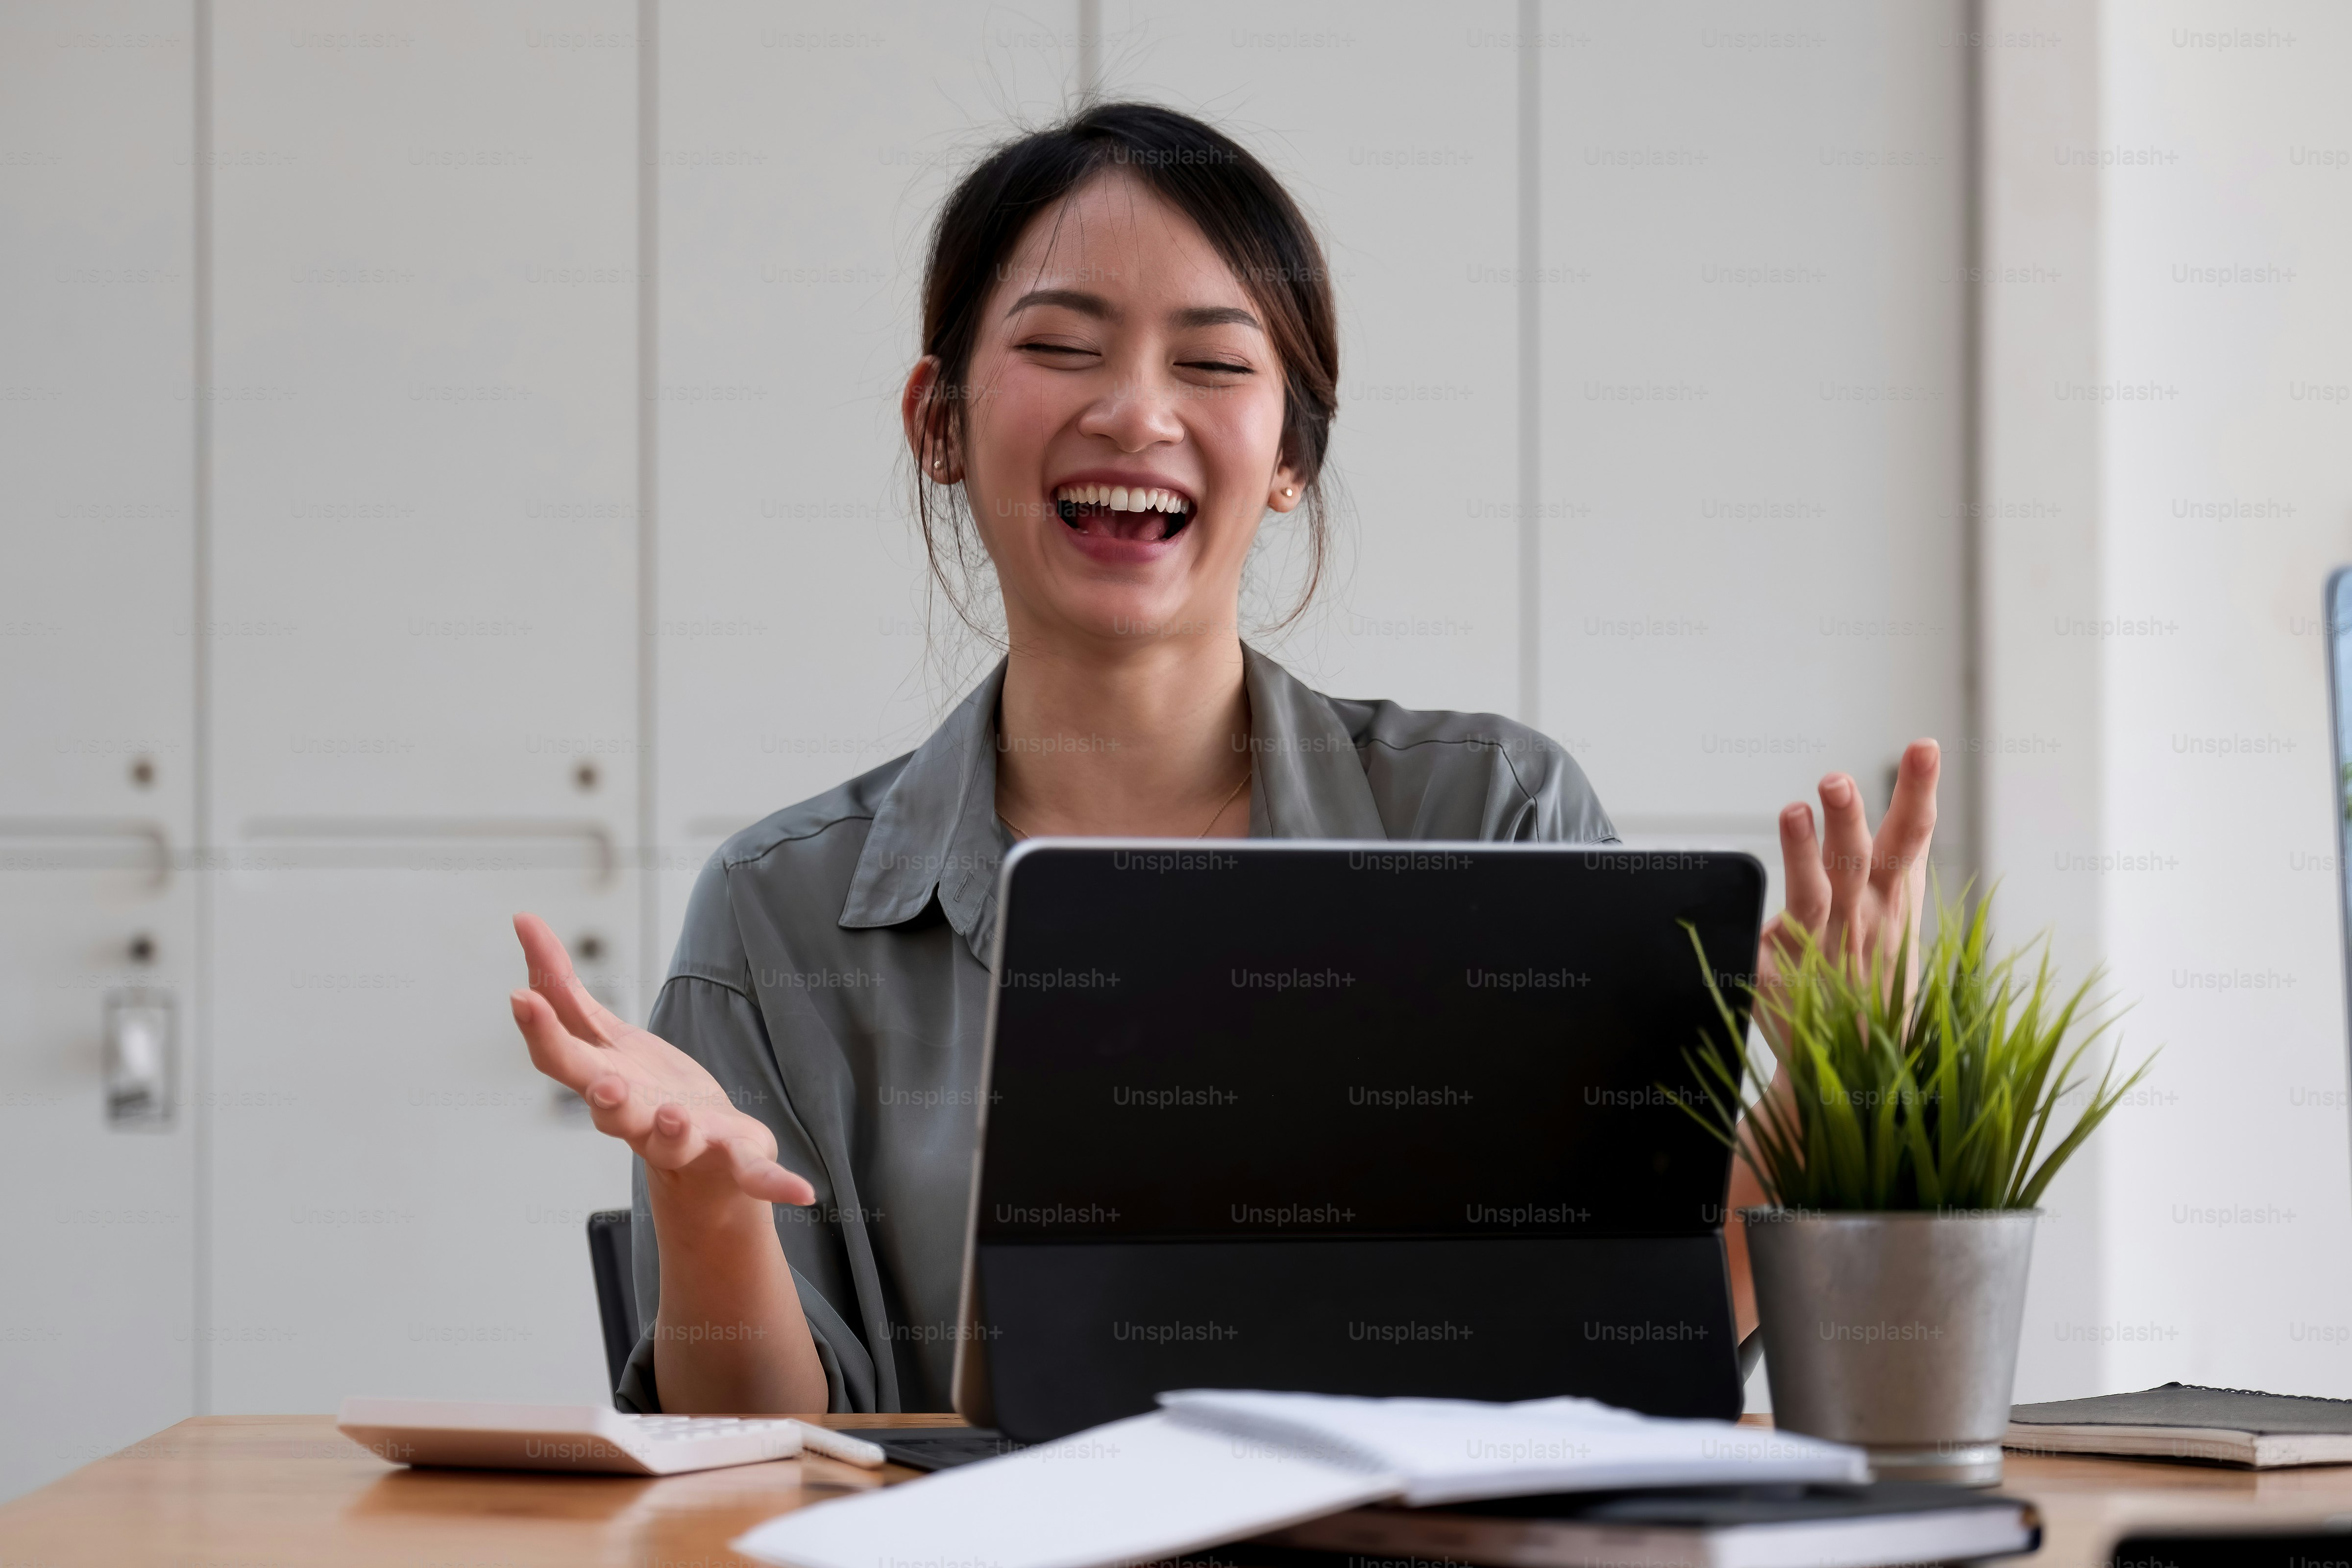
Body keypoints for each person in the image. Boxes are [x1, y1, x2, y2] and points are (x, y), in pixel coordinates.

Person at [507, 101, 1939, 1416]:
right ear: (938, 424)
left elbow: (1619, 1347)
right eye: (1062, 347)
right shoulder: (778, 914)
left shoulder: (1497, 819)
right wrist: (701, 1208)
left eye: (1212, 362)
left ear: (1293, 454)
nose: (1137, 413)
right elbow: (753, 1463)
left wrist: (1825, 1090)